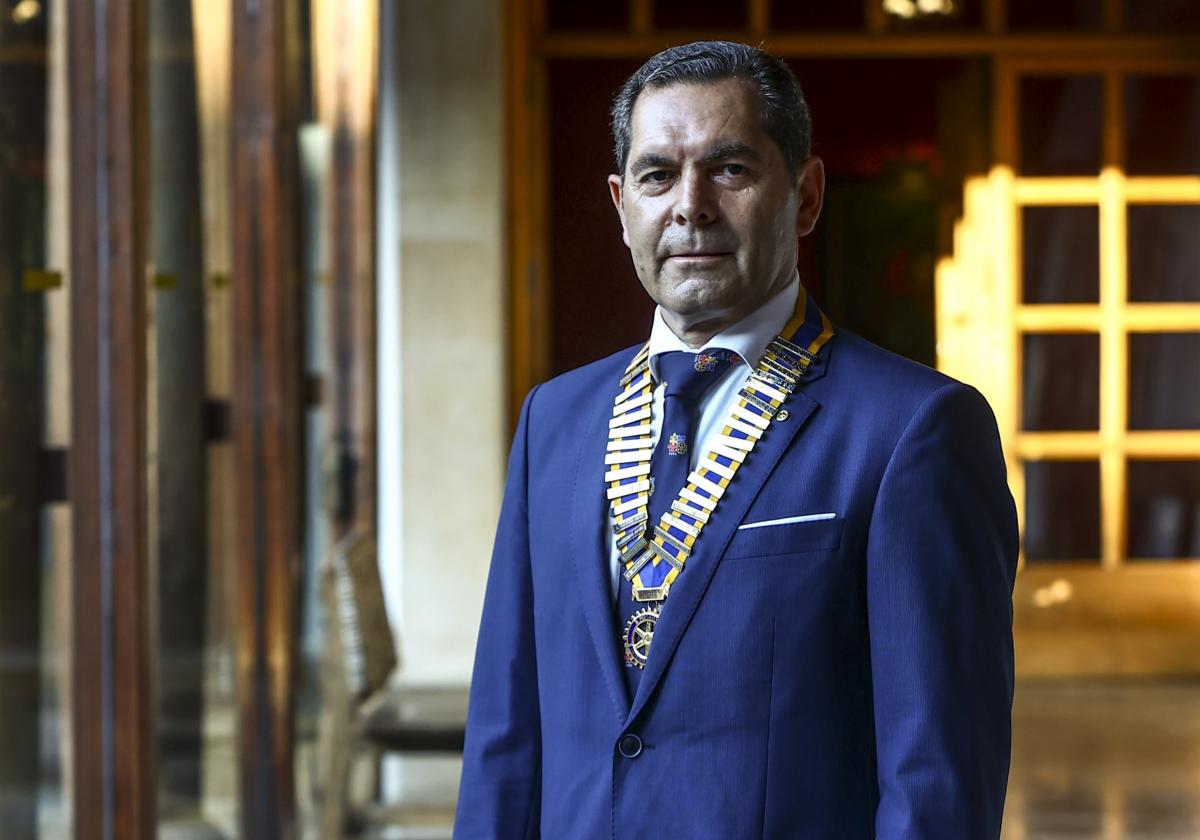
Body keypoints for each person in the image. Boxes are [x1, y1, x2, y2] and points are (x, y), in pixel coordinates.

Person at [455, 40, 1018, 839]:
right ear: (621, 206)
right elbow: (504, 738)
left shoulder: (913, 432)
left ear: (808, 195)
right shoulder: (555, 419)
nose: (690, 206)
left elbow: (937, 782)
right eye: (657, 175)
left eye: (731, 169)